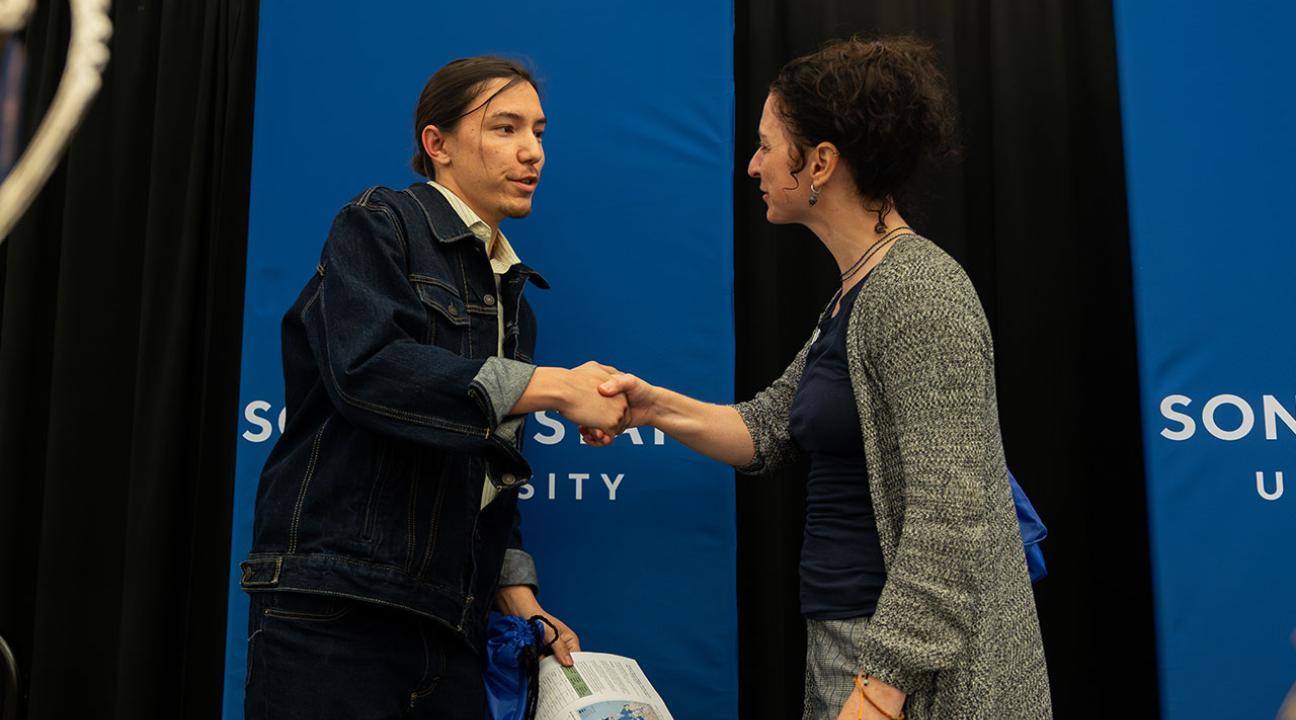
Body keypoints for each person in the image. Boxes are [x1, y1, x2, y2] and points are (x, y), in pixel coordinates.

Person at [584, 37, 1051, 719]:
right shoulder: (858, 292)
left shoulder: (918, 292)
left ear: (821, 163)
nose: (752, 165)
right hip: (852, 642)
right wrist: (650, 406)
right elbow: (770, 427)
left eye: (767, 144)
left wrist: (882, 689)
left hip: (907, 670)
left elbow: (950, 519)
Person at [240, 57, 629, 719]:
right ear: (437, 144)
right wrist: (557, 386)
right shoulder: (378, 223)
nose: (531, 150)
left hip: (450, 623)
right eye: (505, 128)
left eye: (538, 130)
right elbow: (368, 371)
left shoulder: (515, 300)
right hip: (339, 608)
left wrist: (521, 601)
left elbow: (489, 472)